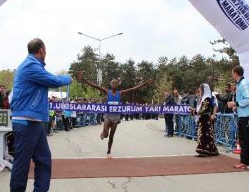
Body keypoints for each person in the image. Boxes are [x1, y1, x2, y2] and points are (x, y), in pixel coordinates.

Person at [10, 38, 72, 192]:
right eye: (46, 50)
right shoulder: (31, 65)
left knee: (43, 160)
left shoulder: (34, 66)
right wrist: (68, 78)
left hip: (34, 122)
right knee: (22, 163)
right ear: (42, 50)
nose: (46, 53)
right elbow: (54, 80)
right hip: (25, 121)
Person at [77, 72, 153, 158]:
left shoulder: (120, 93)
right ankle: (103, 132)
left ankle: (108, 152)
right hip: (108, 116)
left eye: (116, 83)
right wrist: (83, 79)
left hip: (116, 117)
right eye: (113, 82)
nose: (114, 84)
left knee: (111, 136)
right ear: (110, 84)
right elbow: (95, 86)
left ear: (118, 85)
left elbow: (133, 88)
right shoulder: (107, 91)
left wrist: (146, 83)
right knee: (106, 135)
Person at [227, 65, 249, 170]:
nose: (232, 75)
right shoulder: (239, 84)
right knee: (243, 140)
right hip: (243, 115)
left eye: (232, 73)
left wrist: (235, 103)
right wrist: (236, 107)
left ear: (235, 73)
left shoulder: (245, 83)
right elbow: (243, 101)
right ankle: (245, 161)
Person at [191, 83, 219, 157]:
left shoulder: (207, 98)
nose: (199, 89)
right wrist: (194, 110)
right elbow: (200, 109)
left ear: (204, 89)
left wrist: (194, 112)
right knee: (204, 134)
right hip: (203, 118)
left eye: (200, 88)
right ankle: (210, 150)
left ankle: (205, 151)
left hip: (206, 119)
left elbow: (203, 109)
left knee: (205, 134)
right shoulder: (203, 98)